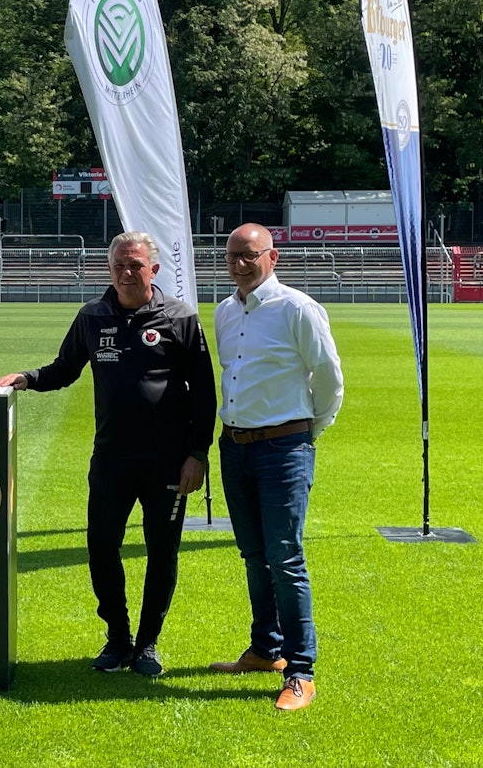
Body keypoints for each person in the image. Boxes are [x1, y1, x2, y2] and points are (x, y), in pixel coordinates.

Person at [0, 231, 216, 677]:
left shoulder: (180, 317)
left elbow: (204, 393)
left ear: (153, 269)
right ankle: (118, 637)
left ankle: (148, 643)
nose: (126, 272)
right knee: (101, 548)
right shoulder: (92, 317)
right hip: (112, 459)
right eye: (118, 265)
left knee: (162, 552)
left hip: (168, 462)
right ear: (109, 269)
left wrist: (197, 453)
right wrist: (25, 378)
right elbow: (64, 369)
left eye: (135, 264)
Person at [210, 223, 343, 711]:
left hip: (284, 448)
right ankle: (266, 649)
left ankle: (301, 671)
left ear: (273, 257)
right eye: (232, 257)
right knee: (252, 553)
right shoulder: (225, 312)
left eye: (250, 255)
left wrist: (308, 433)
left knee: (285, 556)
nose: (240, 264)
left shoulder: (298, 308)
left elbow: (329, 379)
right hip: (236, 447)